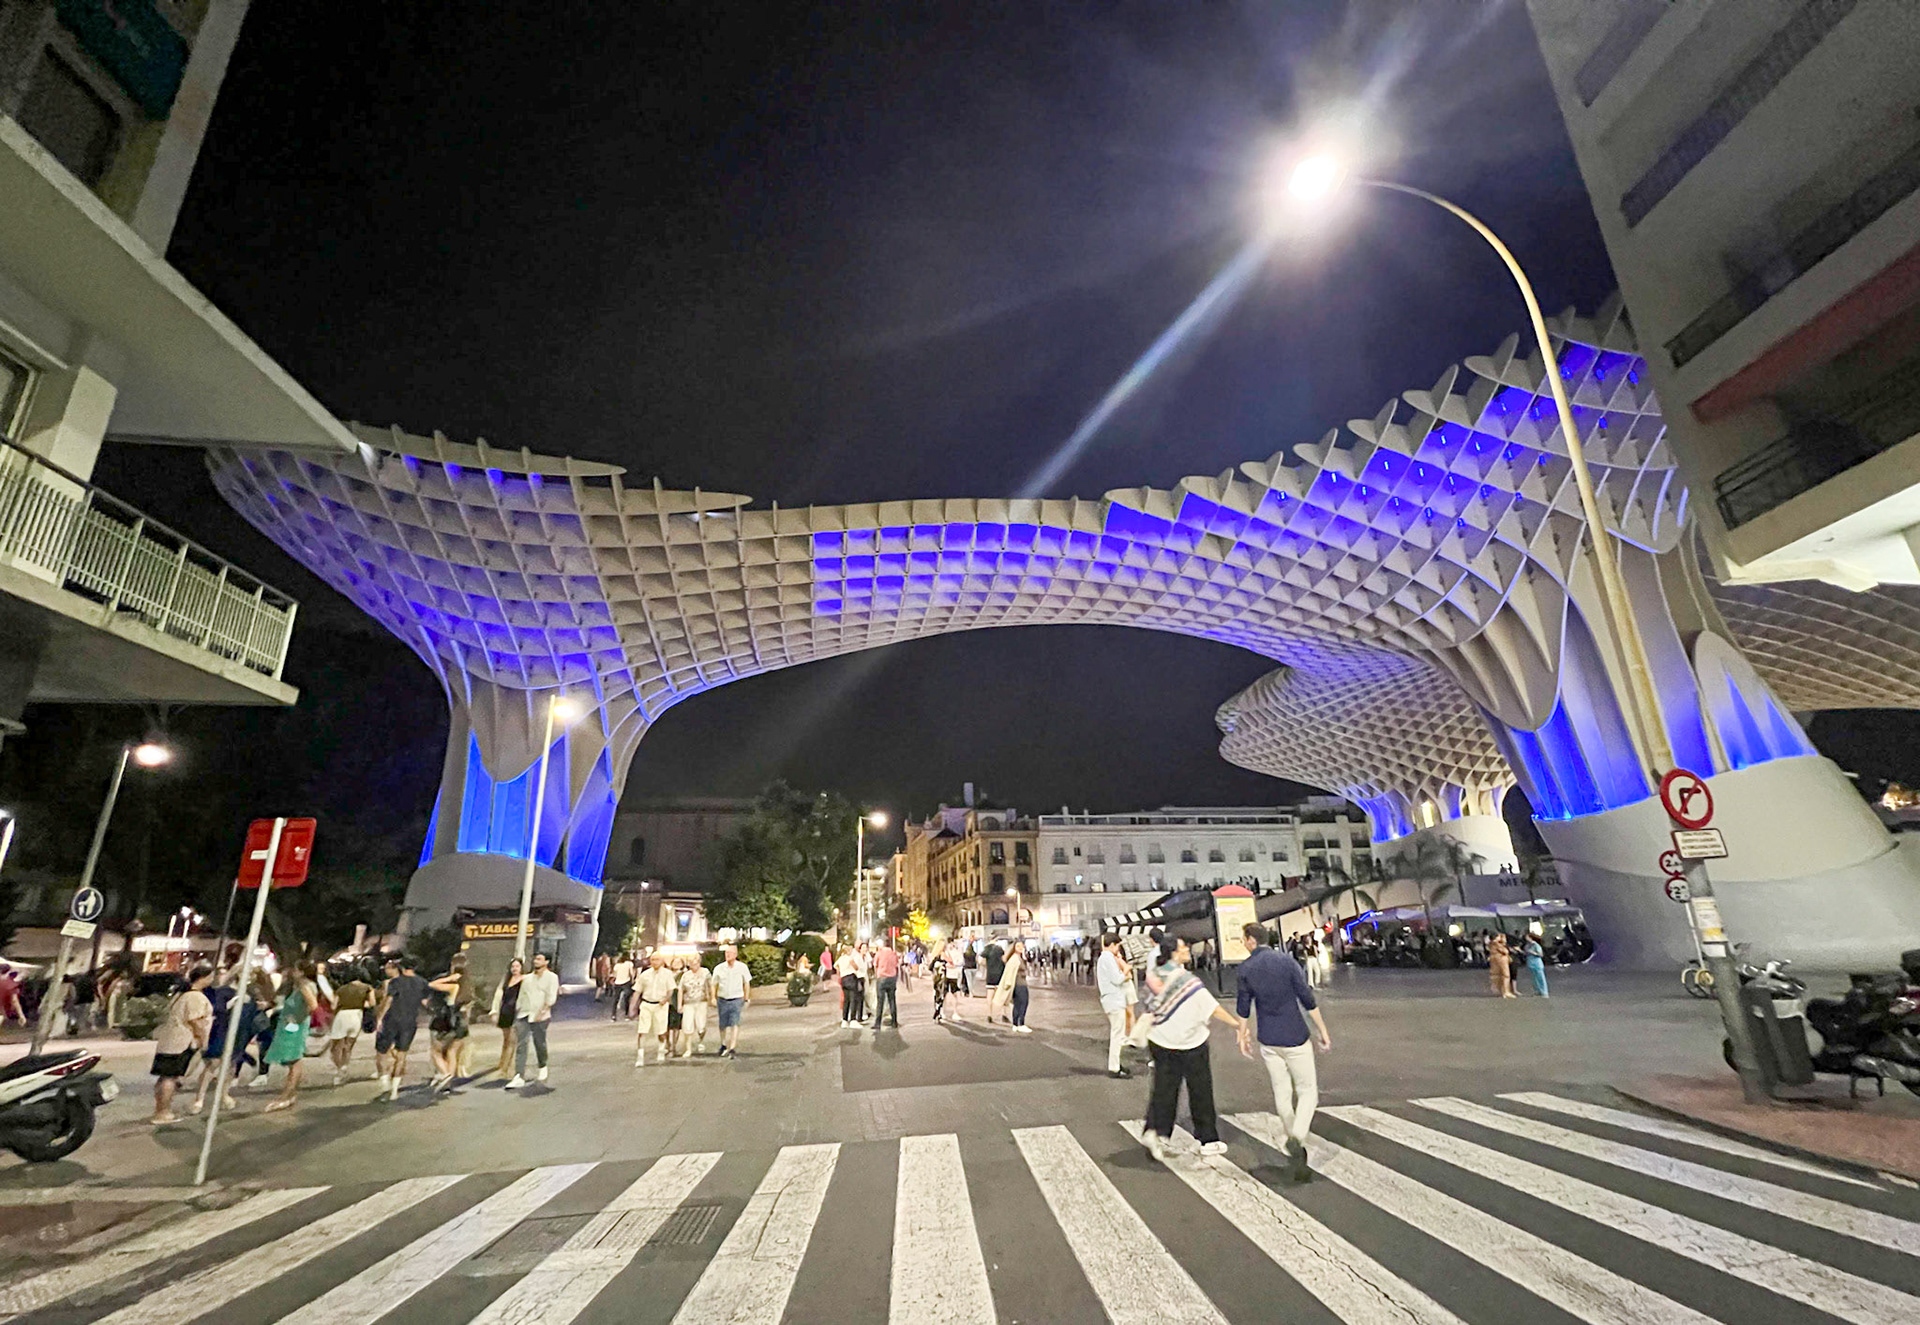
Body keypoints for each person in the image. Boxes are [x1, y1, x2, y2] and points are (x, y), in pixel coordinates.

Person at [1139, 930, 1250, 1162]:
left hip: (1160, 1040)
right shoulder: (1187, 980)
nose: (1188, 950)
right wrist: (1237, 1025)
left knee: (1164, 1090)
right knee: (1200, 1090)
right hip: (1191, 1042)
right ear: (1173, 953)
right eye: (1183, 948)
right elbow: (1212, 1008)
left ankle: (1157, 1132)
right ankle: (1208, 1139)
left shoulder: (1153, 976)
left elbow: (1148, 1007)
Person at [1236, 923, 1331, 1182]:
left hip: (1268, 1038)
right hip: (1295, 1036)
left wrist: (1242, 1034)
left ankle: (1295, 1146)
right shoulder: (1287, 962)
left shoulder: (1245, 969)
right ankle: (1297, 1137)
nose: (1243, 943)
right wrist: (1322, 1029)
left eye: (1244, 939)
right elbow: (1306, 998)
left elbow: (1243, 1007)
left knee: (1282, 1093)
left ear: (1251, 941)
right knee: (1308, 1091)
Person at [150, 963, 215, 1124]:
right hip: (182, 1042)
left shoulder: (180, 994)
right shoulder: (195, 997)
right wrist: (203, 1040)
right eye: (211, 976)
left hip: (169, 1041)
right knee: (170, 1078)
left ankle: (160, 1110)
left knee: (164, 1077)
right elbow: (196, 1021)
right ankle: (163, 1112)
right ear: (203, 978)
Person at [264, 961, 322, 1113]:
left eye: (295, 969)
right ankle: (290, 1094)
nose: (292, 972)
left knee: (294, 1058)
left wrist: (297, 1020)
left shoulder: (304, 986)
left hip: (294, 1026)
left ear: (301, 972)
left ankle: (286, 1096)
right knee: (292, 1058)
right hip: (292, 1024)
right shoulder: (303, 986)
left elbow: (313, 1005)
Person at [374, 957, 429, 1101]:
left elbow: (389, 1000)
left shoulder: (396, 982)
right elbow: (425, 1002)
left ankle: (384, 1079)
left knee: (381, 1051)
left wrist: (379, 1018)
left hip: (392, 1020)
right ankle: (394, 1090)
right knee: (402, 1055)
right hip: (409, 1022)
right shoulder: (422, 983)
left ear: (402, 967)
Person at [508, 951, 561, 1086]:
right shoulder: (527, 978)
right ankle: (519, 1076)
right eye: (535, 959)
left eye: (539, 959)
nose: (535, 961)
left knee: (539, 1042)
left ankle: (542, 1066)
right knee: (521, 1045)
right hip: (524, 1014)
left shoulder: (552, 977)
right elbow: (521, 996)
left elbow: (551, 998)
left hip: (541, 1015)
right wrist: (517, 1012)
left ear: (546, 962)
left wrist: (542, 1012)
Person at [426, 953, 475, 1093]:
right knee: (452, 1052)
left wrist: (449, 978)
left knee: (436, 1051)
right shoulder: (468, 985)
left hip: (446, 1019)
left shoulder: (453, 986)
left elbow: (432, 985)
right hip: (460, 1021)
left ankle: (445, 1074)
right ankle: (448, 1083)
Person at [328, 965, 374, 1085]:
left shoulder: (342, 989)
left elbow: (333, 1006)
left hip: (342, 1016)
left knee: (335, 1047)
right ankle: (344, 1067)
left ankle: (339, 1071)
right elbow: (372, 1003)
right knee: (348, 1046)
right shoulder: (368, 988)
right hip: (357, 1016)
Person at [1096, 933, 1133, 1078]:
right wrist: (1126, 972)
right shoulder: (1108, 958)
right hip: (1114, 1000)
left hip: (1110, 999)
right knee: (1117, 1034)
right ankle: (1114, 1067)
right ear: (1112, 945)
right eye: (1117, 945)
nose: (1118, 948)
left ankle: (1116, 1064)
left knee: (1116, 1033)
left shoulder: (1103, 958)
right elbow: (1117, 979)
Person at [631, 951, 677, 1066]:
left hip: (660, 1005)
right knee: (642, 1031)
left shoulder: (667, 974)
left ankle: (661, 1049)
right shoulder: (645, 975)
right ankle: (640, 1057)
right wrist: (632, 1007)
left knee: (661, 1031)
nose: (654, 962)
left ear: (662, 961)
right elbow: (637, 991)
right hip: (646, 1004)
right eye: (652, 960)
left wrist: (665, 999)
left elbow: (671, 989)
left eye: (657, 959)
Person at [712, 944, 752, 1058]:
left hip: (736, 998)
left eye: (730, 953)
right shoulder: (719, 968)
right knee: (723, 1024)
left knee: (735, 1022)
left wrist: (746, 997)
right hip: (722, 998)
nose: (727, 955)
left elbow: (746, 983)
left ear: (735, 955)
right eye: (726, 953)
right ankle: (723, 1043)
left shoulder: (742, 967)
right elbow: (713, 984)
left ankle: (732, 1047)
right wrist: (712, 997)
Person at [489, 958, 525, 1075]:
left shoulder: (524, 980)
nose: (515, 969)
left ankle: (506, 1068)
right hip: (505, 1012)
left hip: (516, 1013)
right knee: (506, 1040)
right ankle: (501, 1063)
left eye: (517, 966)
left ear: (521, 968)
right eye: (513, 967)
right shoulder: (506, 980)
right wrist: (494, 1011)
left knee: (511, 1041)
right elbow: (499, 996)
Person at [677, 953, 714, 1057]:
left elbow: (710, 985)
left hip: (701, 1001)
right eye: (692, 963)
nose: (694, 964)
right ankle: (688, 1049)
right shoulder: (685, 975)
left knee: (701, 1026)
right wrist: (680, 1004)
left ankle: (700, 1040)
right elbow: (681, 990)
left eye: (696, 962)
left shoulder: (705, 972)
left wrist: (712, 997)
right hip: (688, 1003)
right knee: (687, 1026)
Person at [999, 943, 1030, 1033]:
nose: (1020, 948)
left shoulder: (1018, 958)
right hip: (1020, 984)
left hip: (1018, 983)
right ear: (1014, 948)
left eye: (1022, 946)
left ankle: (1016, 1024)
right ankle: (1020, 1024)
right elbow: (1010, 972)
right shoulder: (1015, 959)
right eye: (1018, 946)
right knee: (1023, 1003)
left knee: (1017, 1004)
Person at [871, 941, 901, 1029]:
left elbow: (875, 965)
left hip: (882, 978)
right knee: (892, 1000)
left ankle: (878, 1023)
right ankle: (894, 1021)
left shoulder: (879, 953)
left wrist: (877, 975)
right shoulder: (893, 953)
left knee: (880, 1001)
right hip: (892, 978)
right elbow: (896, 965)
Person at [836, 945, 864, 1028]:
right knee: (853, 1000)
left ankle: (844, 1020)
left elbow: (836, 966)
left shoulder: (840, 959)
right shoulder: (849, 958)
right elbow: (856, 967)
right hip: (851, 978)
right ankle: (853, 1020)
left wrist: (841, 972)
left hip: (843, 979)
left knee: (846, 1000)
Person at [1521, 932, 1549, 997]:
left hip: (1537, 962)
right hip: (1530, 962)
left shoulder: (1536, 945)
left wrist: (1533, 952)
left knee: (1540, 977)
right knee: (1534, 978)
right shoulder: (1527, 945)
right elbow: (1525, 953)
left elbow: (1540, 954)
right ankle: (1537, 990)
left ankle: (1544, 992)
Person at [609, 953, 635, 1021]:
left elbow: (614, 974)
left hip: (618, 982)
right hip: (626, 982)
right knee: (626, 999)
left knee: (615, 999)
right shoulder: (629, 963)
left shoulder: (617, 965)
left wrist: (614, 980)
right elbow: (632, 973)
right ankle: (626, 1015)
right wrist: (633, 980)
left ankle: (613, 1015)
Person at [1488, 932, 1514, 998]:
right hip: (1501, 960)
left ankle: (1501, 990)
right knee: (1506, 975)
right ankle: (1506, 991)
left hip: (1494, 961)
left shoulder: (1490, 944)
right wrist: (1503, 942)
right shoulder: (1496, 944)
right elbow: (1505, 951)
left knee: (1498, 975)